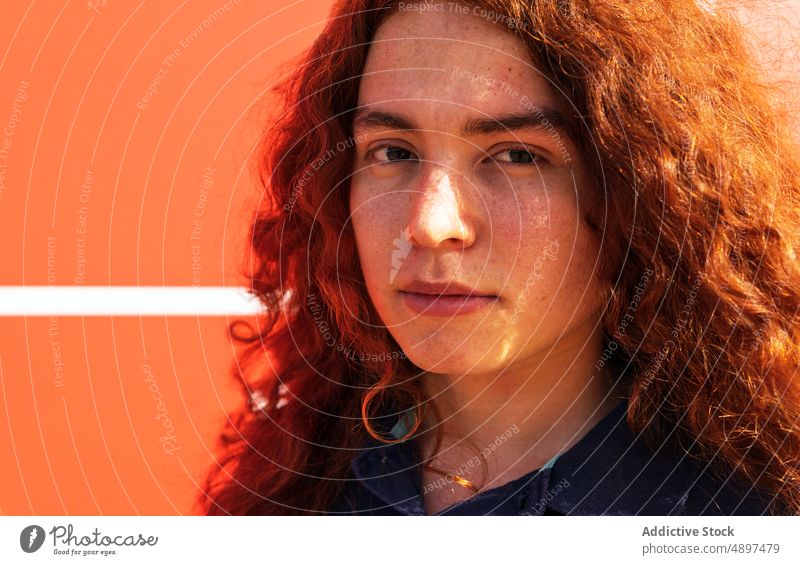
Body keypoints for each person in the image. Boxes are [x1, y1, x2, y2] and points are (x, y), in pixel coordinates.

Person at [198, 0, 800, 516]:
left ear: (642, 190)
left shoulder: (746, 512)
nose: (431, 225)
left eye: (516, 156)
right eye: (394, 151)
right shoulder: (298, 480)